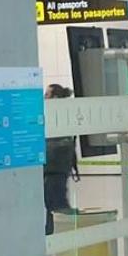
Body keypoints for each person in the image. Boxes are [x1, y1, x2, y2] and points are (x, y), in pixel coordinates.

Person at [42, 85, 77, 235]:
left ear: (55, 97)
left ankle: (69, 231)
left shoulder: (57, 117)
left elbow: (55, 145)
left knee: (57, 203)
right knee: (53, 203)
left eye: (47, 94)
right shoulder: (60, 115)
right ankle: (51, 234)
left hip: (55, 168)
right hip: (56, 168)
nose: (44, 98)